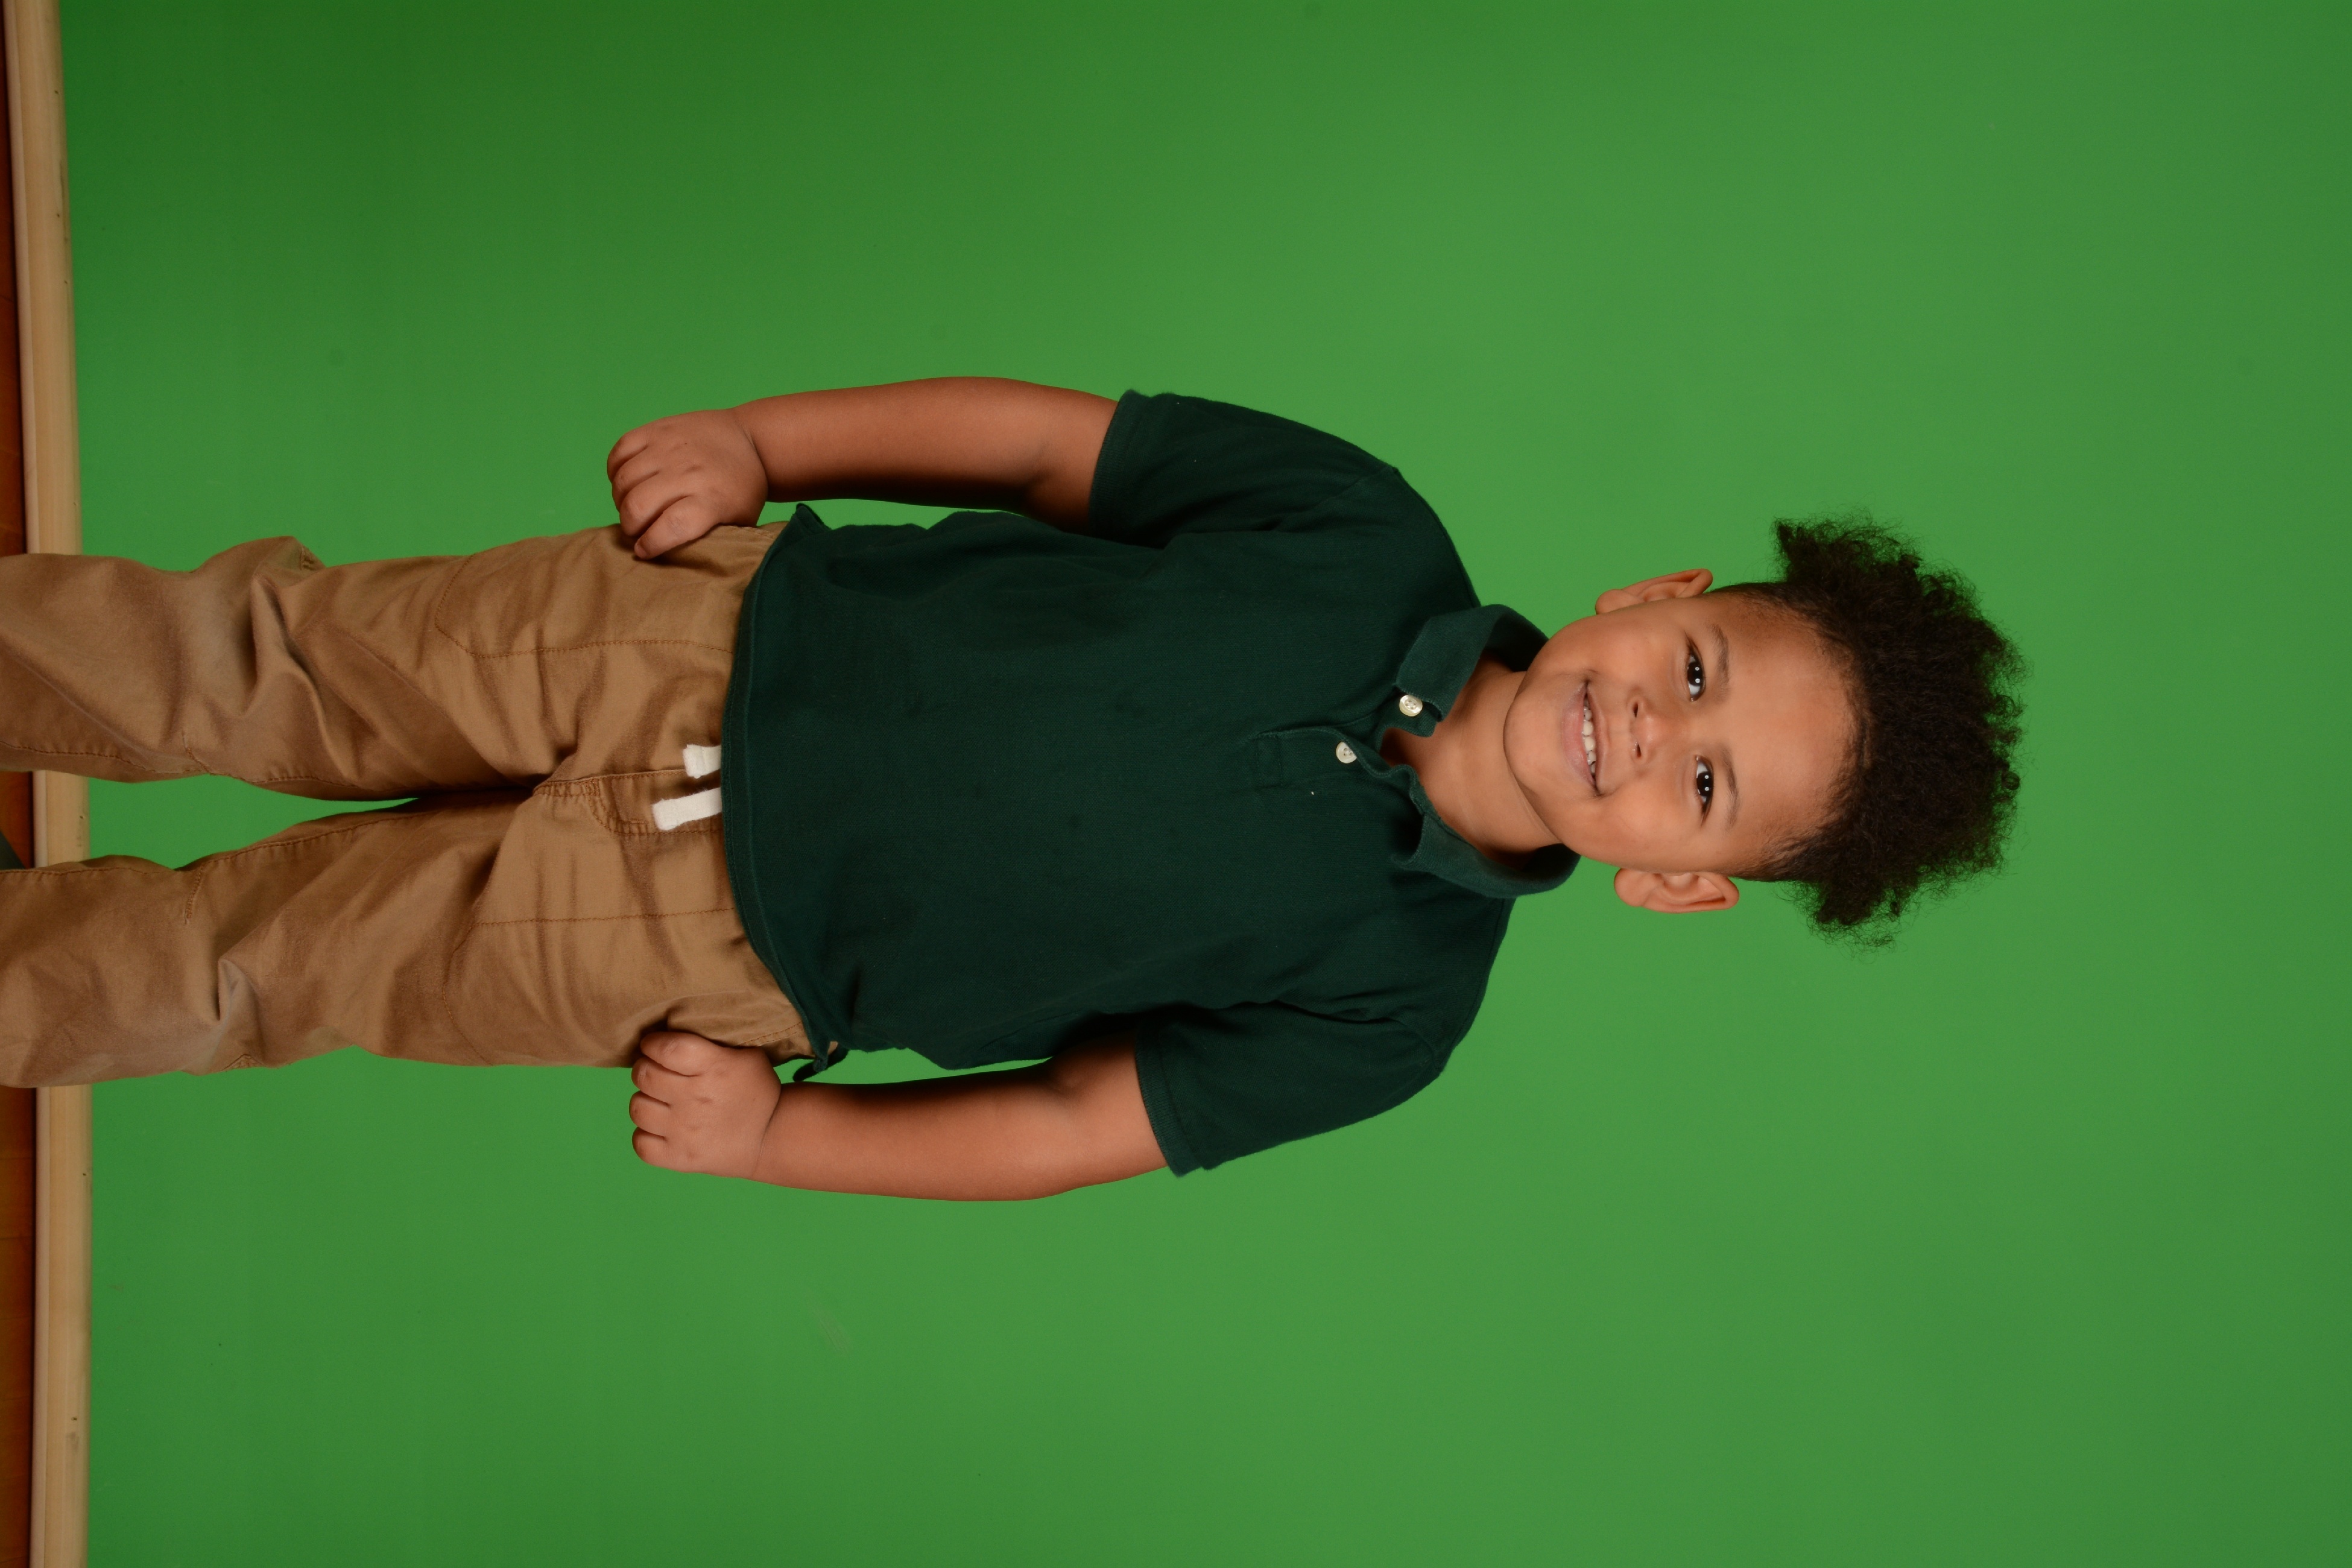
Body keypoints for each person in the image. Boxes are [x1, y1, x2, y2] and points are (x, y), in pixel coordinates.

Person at [0, 379, 2022, 1198]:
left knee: (258, 969)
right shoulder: (1358, 527)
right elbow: (1046, 449)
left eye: (1700, 786)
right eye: (1692, 670)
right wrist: (765, 449)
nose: (1646, 732)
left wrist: (783, 1137)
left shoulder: (1392, 1009)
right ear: (1656, 595)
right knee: (253, 656)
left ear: (1678, 884)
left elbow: (1067, 1125)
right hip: (686, 634)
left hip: (698, 940)